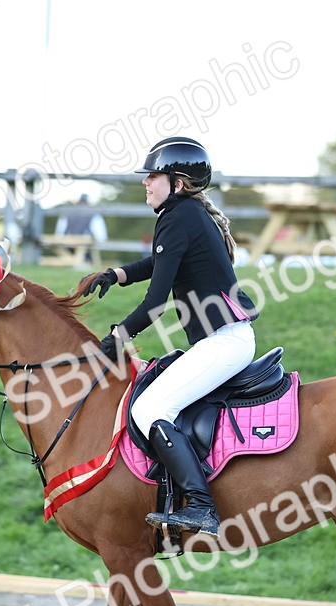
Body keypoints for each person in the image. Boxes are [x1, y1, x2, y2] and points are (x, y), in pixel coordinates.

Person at [83, 136, 259, 538]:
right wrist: (116, 274)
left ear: (177, 182)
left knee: (149, 410)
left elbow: (156, 302)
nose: (146, 182)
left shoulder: (179, 216)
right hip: (223, 339)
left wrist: (118, 336)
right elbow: (158, 262)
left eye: (153, 175)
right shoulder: (186, 214)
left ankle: (200, 506)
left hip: (224, 343)